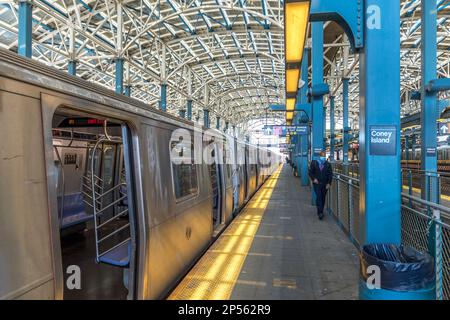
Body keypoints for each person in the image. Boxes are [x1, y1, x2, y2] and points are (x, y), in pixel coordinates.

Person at [308, 151, 333, 220]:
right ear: (320, 156)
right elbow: (310, 172)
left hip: (325, 184)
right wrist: (314, 179)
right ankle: (320, 212)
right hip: (317, 183)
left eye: (324, 156)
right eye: (322, 156)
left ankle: (320, 210)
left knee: (323, 197)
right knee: (319, 196)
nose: (323, 157)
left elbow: (330, 174)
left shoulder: (327, 164)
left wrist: (329, 183)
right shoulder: (314, 163)